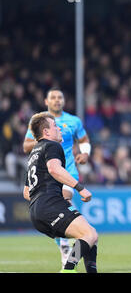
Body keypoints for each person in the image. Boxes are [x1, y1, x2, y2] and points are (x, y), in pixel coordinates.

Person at [23, 88, 91, 267]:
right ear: (46, 101)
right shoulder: (40, 124)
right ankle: (68, 260)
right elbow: (27, 147)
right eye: (53, 97)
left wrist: (85, 154)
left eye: (60, 97)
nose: (57, 100)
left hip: (68, 171)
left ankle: (67, 253)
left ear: (64, 100)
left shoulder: (73, 121)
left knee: (68, 204)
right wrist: (44, 142)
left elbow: (84, 140)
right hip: (51, 174)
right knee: (89, 234)